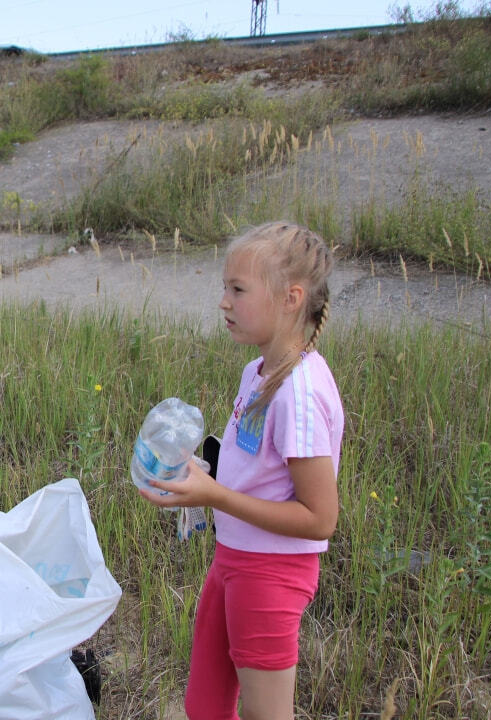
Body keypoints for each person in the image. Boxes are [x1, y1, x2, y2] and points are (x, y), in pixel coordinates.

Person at [139, 221, 343, 720]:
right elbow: (254, 468)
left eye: (237, 290)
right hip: (232, 558)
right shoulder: (258, 372)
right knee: (204, 706)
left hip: (271, 574)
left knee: (265, 713)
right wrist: (199, 473)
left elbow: (320, 519)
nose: (223, 302)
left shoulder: (299, 394)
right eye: (223, 288)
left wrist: (214, 497)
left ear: (291, 298)